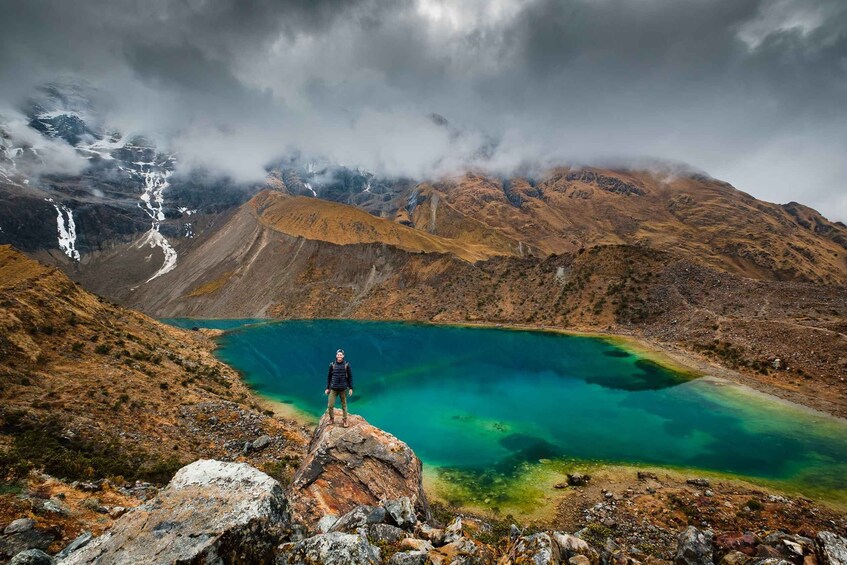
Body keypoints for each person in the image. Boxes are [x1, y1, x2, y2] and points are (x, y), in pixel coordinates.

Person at [325, 348, 353, 427]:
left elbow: (350, 377)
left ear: (343, 356)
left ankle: (345, 420)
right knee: (330, 405)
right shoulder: (332, 364)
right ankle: (331, 418)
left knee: (344, 405)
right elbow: (329, 377)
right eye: (338, 355)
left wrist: (350, 388)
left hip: (343, 389)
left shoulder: (346, 365)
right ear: (336, 355)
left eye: (341, 355)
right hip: (333, 388)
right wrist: (327, 388)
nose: (339, 356)